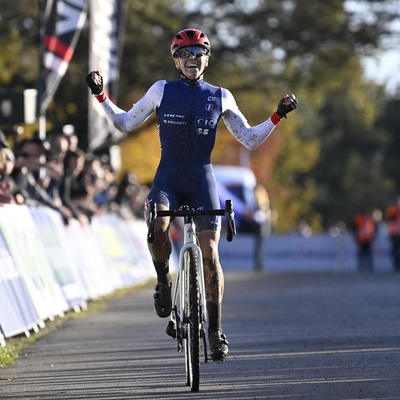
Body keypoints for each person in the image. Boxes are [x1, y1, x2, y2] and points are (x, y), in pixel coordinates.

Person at [85, 28, 298, 361]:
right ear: (176, 61)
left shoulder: (221, 96)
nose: (192, 60)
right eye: (185, 54)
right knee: (156, 224)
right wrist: (100, 95)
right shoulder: (161, 90)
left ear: (207, 58)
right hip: (168, 178)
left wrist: (277, 115)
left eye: (198, 53)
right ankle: (163, 282)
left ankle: (215, 330)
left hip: (202, 179)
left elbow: (250, 139)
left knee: (210, 252)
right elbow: (125, 124)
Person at [385, 199, 400, 272]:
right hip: (394, 234)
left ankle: (396, 265)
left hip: (394, 233)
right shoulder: (394, 211)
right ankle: (396, 265)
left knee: (396, 250)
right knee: (396, 250)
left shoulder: (393, 211)